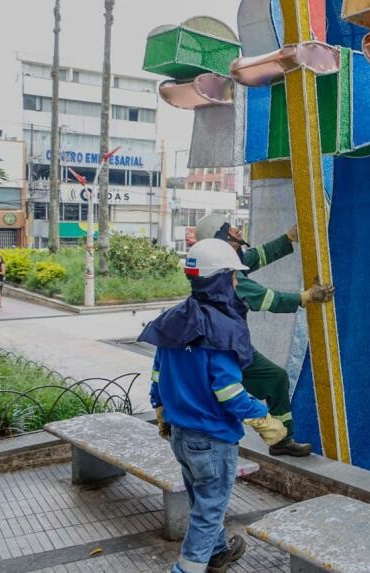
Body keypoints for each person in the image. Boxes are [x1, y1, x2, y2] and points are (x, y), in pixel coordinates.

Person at [139, 239, 288, 573]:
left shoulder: (175, 320)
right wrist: (264, 419)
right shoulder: (221, 330)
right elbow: (229, 392)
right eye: (233, 276)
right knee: (209, 511)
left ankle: (218, 552)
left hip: (180, 434)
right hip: (212, 440)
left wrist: (161, 409)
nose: (237, 283)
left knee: (202, 500)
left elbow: (158, 372)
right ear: (221, 279)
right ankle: (186, 569)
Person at [194, 214, 334, 457]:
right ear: (221, 241)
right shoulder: (226, 278)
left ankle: (282, 440)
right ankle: (267, 438)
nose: (237, 232)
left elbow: (255, 256)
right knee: (240, 390)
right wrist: (308, 297)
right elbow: (268, 298)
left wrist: (289, 238)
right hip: (226, 351)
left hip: (229, 346)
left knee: (275, 378)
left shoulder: (220, 266)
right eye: (231, 230)